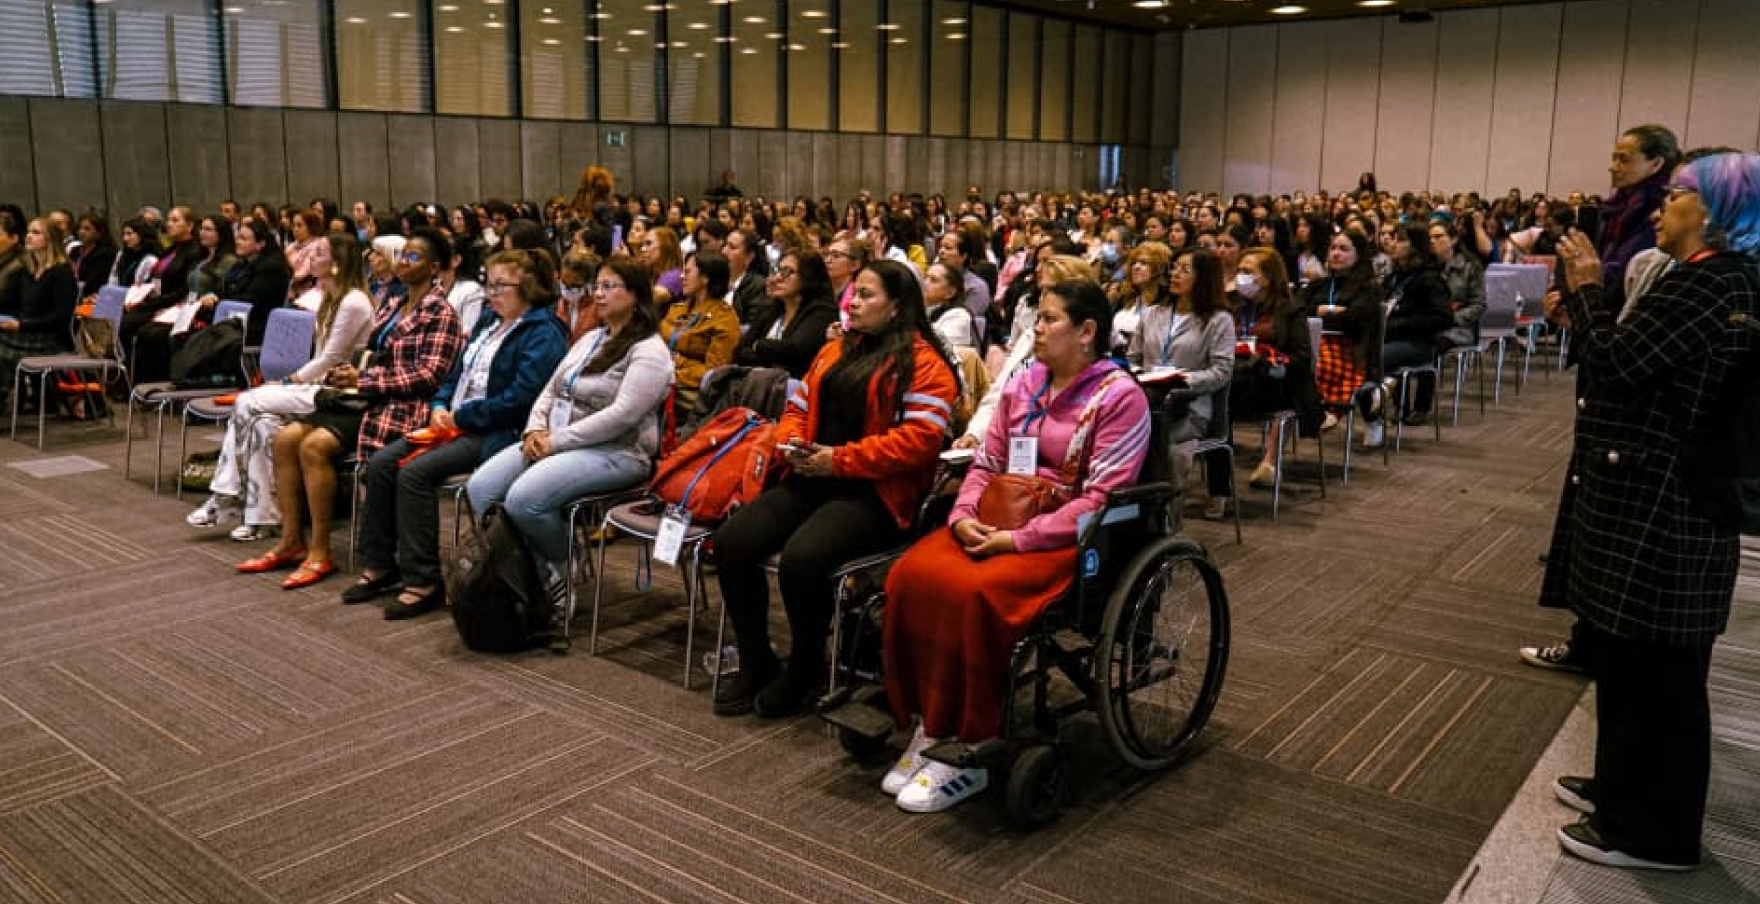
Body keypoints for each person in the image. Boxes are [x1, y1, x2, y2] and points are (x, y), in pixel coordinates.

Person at [1538, 151, 1760, 872]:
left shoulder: (1709, 283)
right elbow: (1630, 357)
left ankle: (1652, 832)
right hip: (1659, 498)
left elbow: (1618, 364)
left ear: (1716, 209)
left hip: (1667, 505)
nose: (1662, 206)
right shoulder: (1712, 279)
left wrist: (1586, 291)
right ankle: (1620, 790)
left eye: (1678, 194)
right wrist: (1586, 311)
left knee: (1658, 678)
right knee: (1630, 664)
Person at [879, 278, 1151, 813]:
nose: (1036, 329)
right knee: (911, 574)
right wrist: (962, 517)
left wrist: (1018, 540)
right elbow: (986, 463)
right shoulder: (1025, 381)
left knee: (973, 594)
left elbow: (1099, 499)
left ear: (1087, 331)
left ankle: (973, 741)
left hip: (1065, 538)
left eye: (1049, 319)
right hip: (996, 516)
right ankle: (930, 724)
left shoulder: (1120, 397)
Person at [710, 260, 959, 719]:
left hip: (876, 494)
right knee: (731, 544)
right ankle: (757, 658)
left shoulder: (927, 365)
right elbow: (797, 408)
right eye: (853, 293)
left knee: (803, 561)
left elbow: (919, 444)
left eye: (866, 295)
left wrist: (839, 459)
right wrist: (792, 445)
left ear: (896, 306)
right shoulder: (835, 349)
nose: (853, 303)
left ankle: (805, 668)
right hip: (813, 475)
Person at [1522, 126, 1682, 674]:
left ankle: (1600, 644)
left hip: (1624, 376)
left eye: (1624, 157)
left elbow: (1617, 295)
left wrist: (1584, 293)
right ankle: (1590, 638)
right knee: (1588, 492)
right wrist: (1571, 296)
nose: (1612, 165)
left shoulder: (1660, 236)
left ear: (1656, 164)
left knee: (1610, 513)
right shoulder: (1616, 214)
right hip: (1600, 345)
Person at [237, 229, 464, 590]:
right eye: (402, 255)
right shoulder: (393, 302)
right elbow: (371, 353)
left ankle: (320, 551)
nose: (404, 262)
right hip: (365, 396)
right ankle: (292, 541)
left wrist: (365, 379)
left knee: (313, 446)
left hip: (402, 405)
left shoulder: (441, 312)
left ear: (435, 267)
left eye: (414, 257)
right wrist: (352, 372)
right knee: (284, 439)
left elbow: (429, 375)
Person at [349, 249, 568, 618]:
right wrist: (439, 405)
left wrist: (460, 416)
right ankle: (380, 564)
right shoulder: (489, 320)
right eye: (489, 284)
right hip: (454, 421)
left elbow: (520, 400)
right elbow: (455, 374)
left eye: (501, 286)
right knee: (382, 463)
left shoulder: (543, 332)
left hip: (498, 429)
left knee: (414, 473)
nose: (491, 293)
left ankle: (423, 580)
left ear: (528, 287)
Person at [465, 256, 673, 605]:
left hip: (618, 451)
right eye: (597, 286)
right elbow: (550, 389)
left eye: (609, 286)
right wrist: (534, 429)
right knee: (481, 489)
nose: (599, 294)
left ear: (636, 295)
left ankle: (562, 561)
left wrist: (556, 441)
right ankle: (537, 567)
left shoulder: (650, 351)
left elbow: (621, 416)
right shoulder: (591, 338)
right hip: (556, 440)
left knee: (524, 500)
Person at [188, 233, 375, 541]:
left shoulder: (353, 301)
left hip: (339, 395)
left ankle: (225, 494)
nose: (310, 258)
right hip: (318, 386)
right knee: (261, 425)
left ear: (338, 263)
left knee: (247, 401)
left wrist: (289, 381)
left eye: (319, 253)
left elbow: (330, 359)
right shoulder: (330, 297)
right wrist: (293, 382)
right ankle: (263, 518)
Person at [1126, 247, 1236, 517]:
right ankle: (1132, 515)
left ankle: (1163, 519)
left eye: (1185, 269)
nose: (1175, 274)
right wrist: (1140, 373)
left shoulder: (1219, 321)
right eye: (1174, 267)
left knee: (1161, 443)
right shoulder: (1153, 313)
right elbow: (1132, 357)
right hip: (1147, 399)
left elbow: (1221, 372)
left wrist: (1182, 379)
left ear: (1204, 278)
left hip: (1190, 407)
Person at [1234, 248, 1321, 488]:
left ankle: (1269, 462)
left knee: (1282, 388)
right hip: (1238, 375)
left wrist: (1274, 364)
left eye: (1247, 271)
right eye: (1239, 271)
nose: (1240, 277)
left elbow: (1302, 357)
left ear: (1268, 278)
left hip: (1276, 379)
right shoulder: (1235, 308)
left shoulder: (1290, 309)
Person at [1301, 231, 1384, 443]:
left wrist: (1321, 312)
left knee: (1318, 363)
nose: (1336, 254)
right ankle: (1318, 410)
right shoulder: (1318, 285)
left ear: (1359, 255)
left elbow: (1354, 319)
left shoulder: (1368, 288)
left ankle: (1331, 410)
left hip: (1350, 350)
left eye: (1344, 249)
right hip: (1315, 344)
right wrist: (1333, 310)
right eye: (1333, 248)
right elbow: (1297, 311)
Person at [1378, 223, 1454, 425]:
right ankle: (1396, 405)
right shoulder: (1393, 277)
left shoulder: (1429, 278)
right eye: (1394, 238)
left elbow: (1444, 318)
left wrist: (1402, 323)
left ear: (1415, 246)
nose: (1393, 244)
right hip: (1391, 337)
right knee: (1360, 354)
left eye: (1401, 240)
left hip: (1420, 342)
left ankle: (1417, 406)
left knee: (1376, 357)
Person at [0, 219, 78, 411]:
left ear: (50, 239)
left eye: (36, 233)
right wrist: (12, 320)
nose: (29, 236)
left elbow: (61, 318)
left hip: (49, 338)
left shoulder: (61, 273)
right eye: (28, 231)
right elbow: (11, 305)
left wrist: (21, 325)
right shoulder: (27, 271)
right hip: (25, 332)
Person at [734, 249, 837, 378]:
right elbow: (742, 351)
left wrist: (759, 345)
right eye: (778, 270)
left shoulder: (823, 311)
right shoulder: (772, 308)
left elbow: (796, 351)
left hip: (794, 383)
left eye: (787, 272)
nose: (778, 277)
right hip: (756, 380)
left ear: (808, 276)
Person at [660, 251, 739, 414]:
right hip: (662, 378)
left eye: (688, 272)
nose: (681, 276)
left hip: (691, 394)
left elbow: (713, 373)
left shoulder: (724, 319)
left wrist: (675, 365)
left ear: (705, 278)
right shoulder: (677, 309)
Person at [199, 217, 290, 345]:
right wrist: (212, 296)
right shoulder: (242, 263)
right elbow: (224, 287)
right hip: (233, 318)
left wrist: (217, 301)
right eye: (237, 237)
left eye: (243, 239)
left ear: (260, 244)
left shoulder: (271, 268)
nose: (237, 242)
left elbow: (250, 299)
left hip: (255, 325)